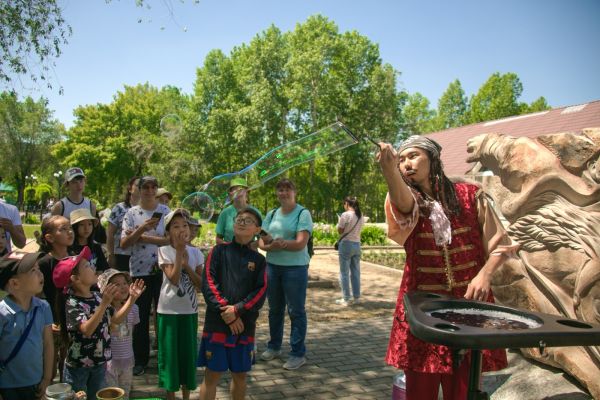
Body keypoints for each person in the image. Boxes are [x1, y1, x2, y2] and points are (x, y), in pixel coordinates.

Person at [377, 136, 517, 400]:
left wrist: (484, 275)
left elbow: (501, 245)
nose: (406, 164)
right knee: (420, 392)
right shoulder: (408, 200)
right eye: (402, 159)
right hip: (422, 313)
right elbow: (403, 202)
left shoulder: (470, 195)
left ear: (433, 158)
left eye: (413, 156)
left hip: (468, 309)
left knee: (463, 389)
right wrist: (389, 172)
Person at [53, 246, 145, 400]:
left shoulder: (97, 296)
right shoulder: (73, 303)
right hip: (79, 367)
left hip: (100, 364)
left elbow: (115, 321)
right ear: (75, 279)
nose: (93, 267)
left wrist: (132, 299)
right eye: (87, 266)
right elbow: (87, 330)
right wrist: (103, 305)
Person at [199, 207, 267, 400]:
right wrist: (227, 314)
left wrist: (237, 310)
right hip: (217, 323)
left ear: (257, 229)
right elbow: (209, 283)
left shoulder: (259, 260)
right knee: (212, 374)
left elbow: (260, 291)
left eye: (248, 220)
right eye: (239, 219)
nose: (242, 222)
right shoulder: (218, 251)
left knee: (240, 375)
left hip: (244, 326)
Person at [258, 178, 313, 370]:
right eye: (280, 190)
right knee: (274, 310)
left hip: (295, 269)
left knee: (296, 311)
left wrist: (280, 244)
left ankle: (298, 353)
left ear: (294, 192)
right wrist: (270, 246)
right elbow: (261, 241)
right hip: (272, 267)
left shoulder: (303, 213)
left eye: (287, 189)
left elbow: (300, 243)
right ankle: (274, 347)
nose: (284, 193)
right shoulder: (272, 214)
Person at [120, 176, 170, 376]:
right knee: (139, 318)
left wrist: (140, 237)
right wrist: (142, 228)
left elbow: (171, 239)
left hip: (163, 269)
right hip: (139, 272)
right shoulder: (131, 213)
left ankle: (165, 358)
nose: (149, 191)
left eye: (153, 187)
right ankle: (140, 359)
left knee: (163, 315)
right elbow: (124, 243)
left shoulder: (166, 212)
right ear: (139, 190)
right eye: (145, 187)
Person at [157, 209, 203, 400]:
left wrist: (186, 266)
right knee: (170, 357)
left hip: (189, 311)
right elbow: (174, 279)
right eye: (175, 226)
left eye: (185, 225)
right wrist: (178, 253)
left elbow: (201, 285)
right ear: (168, 232)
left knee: (187, 356)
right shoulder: (163, 251)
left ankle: (186, 396)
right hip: (168, 312)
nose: (181, 229)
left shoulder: (197, 253)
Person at [0, 251, 53, 400]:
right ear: (15, 283)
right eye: (33, 270)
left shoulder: (43, 307)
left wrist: (47, 378)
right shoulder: (2, 313)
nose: (40, 274)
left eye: (38, 268)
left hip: (37, 382)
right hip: (8, 386)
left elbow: (48, 344)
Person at [37, 215, 75, 382]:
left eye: (70, 228)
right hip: (51, 322)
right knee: (49, 367)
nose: (70, 232)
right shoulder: (43, 263)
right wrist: (47, 320)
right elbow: (39, 293)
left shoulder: (76, 259)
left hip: (73, 319)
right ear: (50, 237)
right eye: (63, 229)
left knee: (68, 365)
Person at [97, 269, 140, 400]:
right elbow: (112, 325)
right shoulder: (104, 309)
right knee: (111, 395)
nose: (123, 287)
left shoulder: (134, 308)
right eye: (117, 284)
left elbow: (132, 331)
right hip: (109, 361)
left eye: (124, 283)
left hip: (127, 359)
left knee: (125, 394)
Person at [51, 167, 106, 244]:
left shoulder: (91, 205)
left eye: (81, 181)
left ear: (85, 182)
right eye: (74, 182)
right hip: (66, 246)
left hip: (85, 247)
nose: (79, 185)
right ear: (67, 184)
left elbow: (92, 231)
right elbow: (52, 230)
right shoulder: (60, 206)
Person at [335, 196, 365, 306]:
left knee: (344, 272)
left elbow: (340, 231)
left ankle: (346, 298)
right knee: (356, 272)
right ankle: (356, 297)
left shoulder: (345, 215)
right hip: (357, 244)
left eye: (344, 204)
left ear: (347, 204)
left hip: (346, 244)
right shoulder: (360, 215)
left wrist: (338, 223)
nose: (344, 206)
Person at [215, 177, 262, 245]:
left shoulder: (256, 212)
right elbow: (218, 239)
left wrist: (251, 246)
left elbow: (262, 238)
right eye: (235, 189)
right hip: (228, 251)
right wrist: (231, 247)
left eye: (240, 189)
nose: (238, 191)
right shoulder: (225, 213)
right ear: (230, 194)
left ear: (247, 193)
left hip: (250, 251)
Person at [107, 177, 140, 272]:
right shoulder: (119, 208)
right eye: (138, 185)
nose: (141, 188)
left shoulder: (147, 210)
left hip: (141, 256)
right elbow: (110, 234)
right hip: (121, 255)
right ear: (130, 189)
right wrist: (110, 255)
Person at [69, 209, 108, 273]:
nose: (86, 228)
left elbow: (102, 269)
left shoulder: (96, 247)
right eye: (82, 225)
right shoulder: (69, 248)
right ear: (74, 227)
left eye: (89, 224)